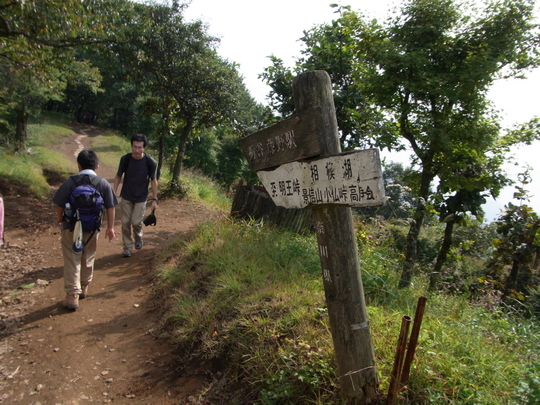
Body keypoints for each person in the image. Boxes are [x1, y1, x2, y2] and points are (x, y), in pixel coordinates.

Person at [52, 150, 118, 310]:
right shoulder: (102, 183)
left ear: (79, 165)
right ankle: (84, 287)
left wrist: (60, 218)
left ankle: (72, 296)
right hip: (92, 227)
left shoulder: (70, 182)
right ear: (97, 166)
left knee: (72, 258)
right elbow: (110, 207)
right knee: (88, 256)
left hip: (72, 227)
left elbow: (59, 204)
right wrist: (110, 227)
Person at [114, 134, 158, 258]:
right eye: (134, 147)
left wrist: (154, 199)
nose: (136, 150)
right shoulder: (125, 159)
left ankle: (138, 237)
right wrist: (114, 193)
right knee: (125, 222)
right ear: (131, 146)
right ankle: (127, 247)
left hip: (141, 197)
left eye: (139, 147)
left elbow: (153, 180)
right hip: (127, 195)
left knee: (136, 222)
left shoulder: (150, 162)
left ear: (144, 148)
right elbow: (118, 176)